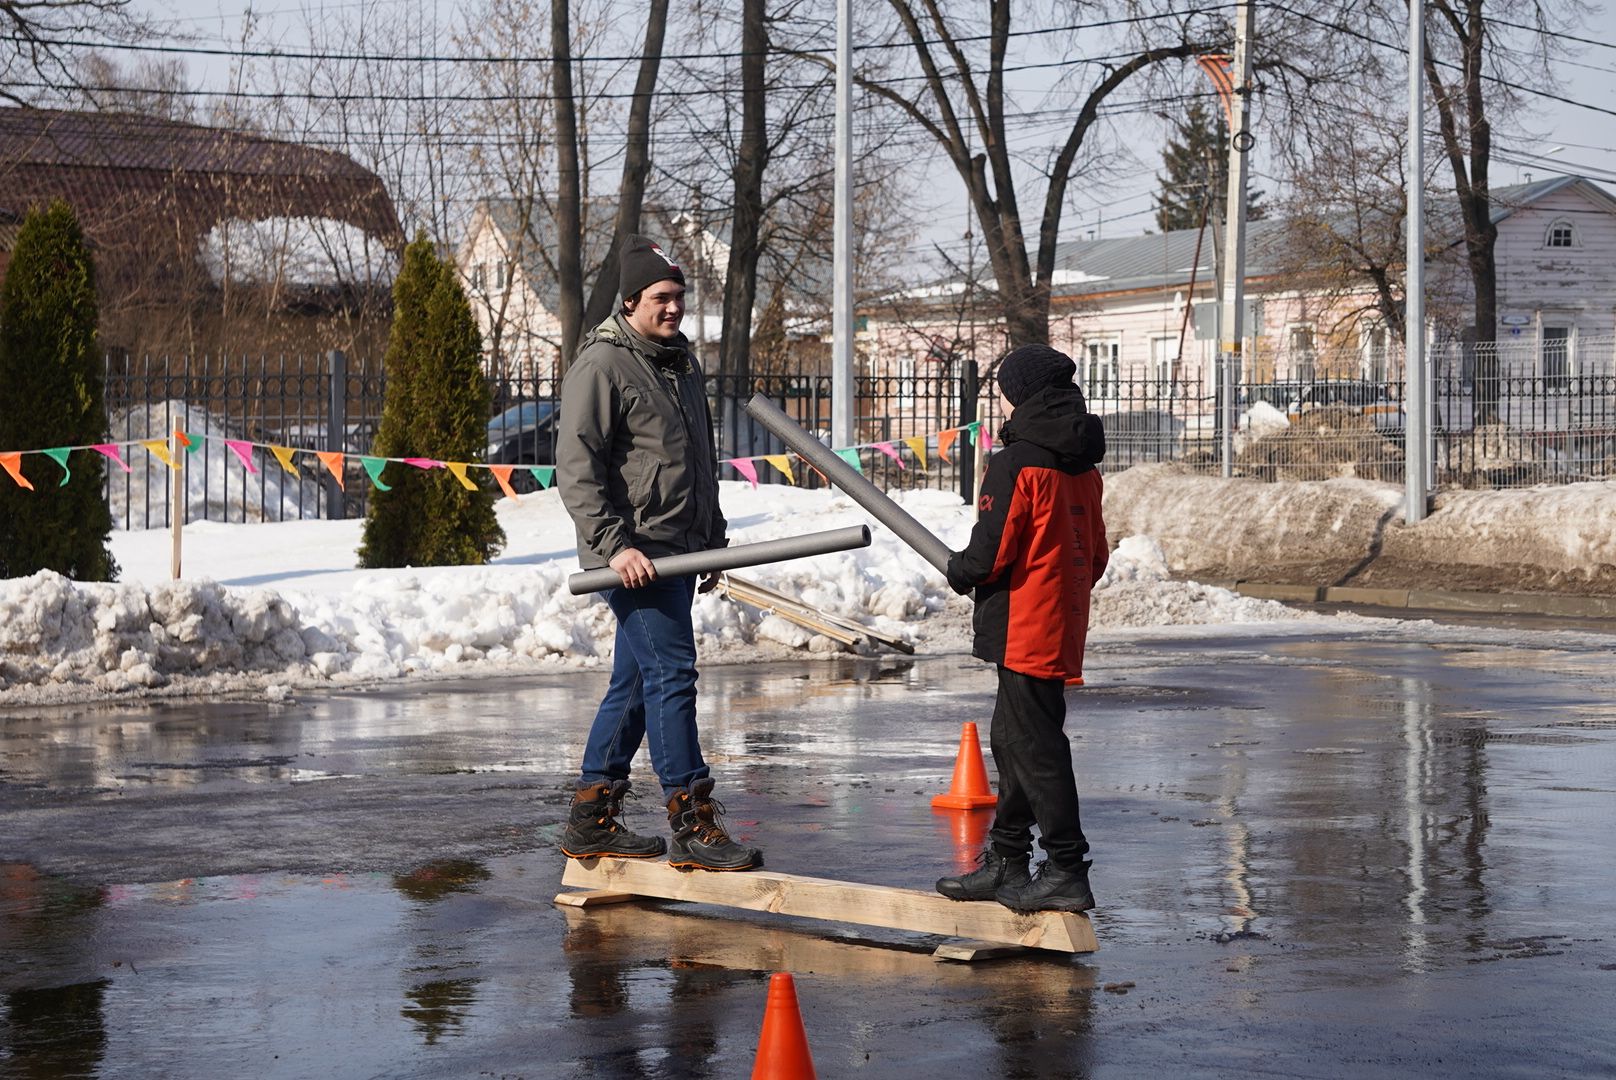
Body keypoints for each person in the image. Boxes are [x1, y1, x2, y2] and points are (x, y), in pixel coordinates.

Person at [555, 234, 762, 872]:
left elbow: (696, 460)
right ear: (631, 300)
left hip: (677, 548)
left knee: (637, 683)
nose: (673, 309)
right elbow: (576, 467)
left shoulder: (677, 362)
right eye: (661, 298)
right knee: (672, 674)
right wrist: (614, 548)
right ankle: (691, 820)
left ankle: (593, 816)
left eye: (678, 297)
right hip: (633, 556)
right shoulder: (603, 364)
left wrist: (712, 540)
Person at [935, 344, 1108, 912]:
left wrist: (962, 570)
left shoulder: (1018, 462)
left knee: (1035, 747)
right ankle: (1008, 858)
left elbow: (993, 548)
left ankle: (1065, 866)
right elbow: (1097, 555)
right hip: (1060, 618)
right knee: (1014, 740)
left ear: (1018, 394)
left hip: (1024, 622)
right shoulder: (1082, 463)